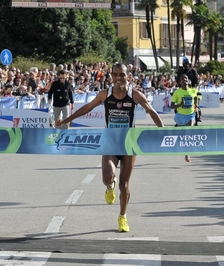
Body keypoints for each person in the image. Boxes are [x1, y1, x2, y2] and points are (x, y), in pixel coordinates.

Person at [56, 63, 164, 232]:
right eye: (115, 74)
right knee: (108, 177)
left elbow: (151, 111)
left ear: (128, 76)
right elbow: (86, 108)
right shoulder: (105, 94)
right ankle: (109, 186)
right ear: (111, 76)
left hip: (128, 145)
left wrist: (163, 131)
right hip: (110, 143)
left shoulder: (134, 95)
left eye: (122, 74)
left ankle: (122, 217)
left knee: (125, 185)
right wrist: (65, 120)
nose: (118, 78)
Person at [170, 74, 198, 163]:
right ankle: (177, 129)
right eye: (182, 79)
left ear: (188, 80)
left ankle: (187, 154)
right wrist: (180, 105)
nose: (184, 80)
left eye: (186, 78)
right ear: (180, 82)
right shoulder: (177, 92)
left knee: (188, 132)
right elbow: (171, 106)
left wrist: (196, 106)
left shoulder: (193, 90)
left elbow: (196, 97)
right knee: (181, 133)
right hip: (180, 115)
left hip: (191, 115)